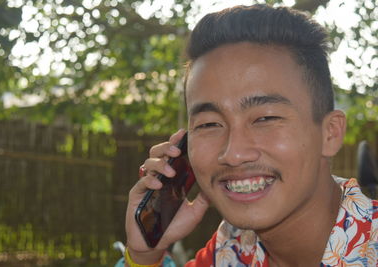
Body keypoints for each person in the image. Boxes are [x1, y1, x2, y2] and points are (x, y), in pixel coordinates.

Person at [120, 4, 378, 266]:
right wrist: (144, 254)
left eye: (265, 118)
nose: (233, 154)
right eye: (209, 124)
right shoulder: (230, 250)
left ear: (330, 133)